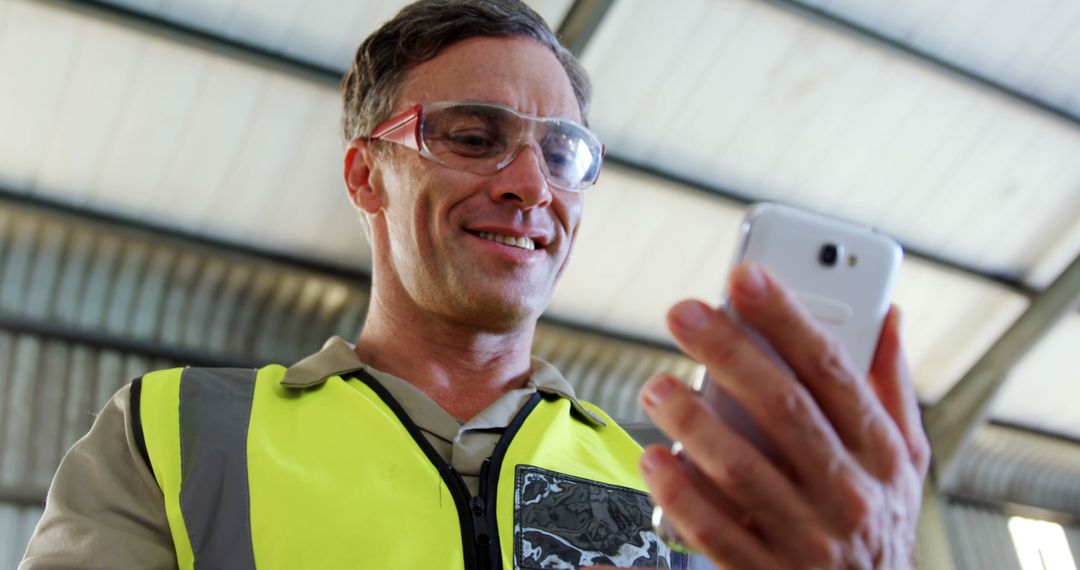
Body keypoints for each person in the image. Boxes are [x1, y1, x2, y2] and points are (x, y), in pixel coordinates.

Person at [21, 0, 930, 568]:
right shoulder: (173, 433)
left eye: (562, 152)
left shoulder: (674, 488)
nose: (531, 185)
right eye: (471, 135)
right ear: (365, 176)